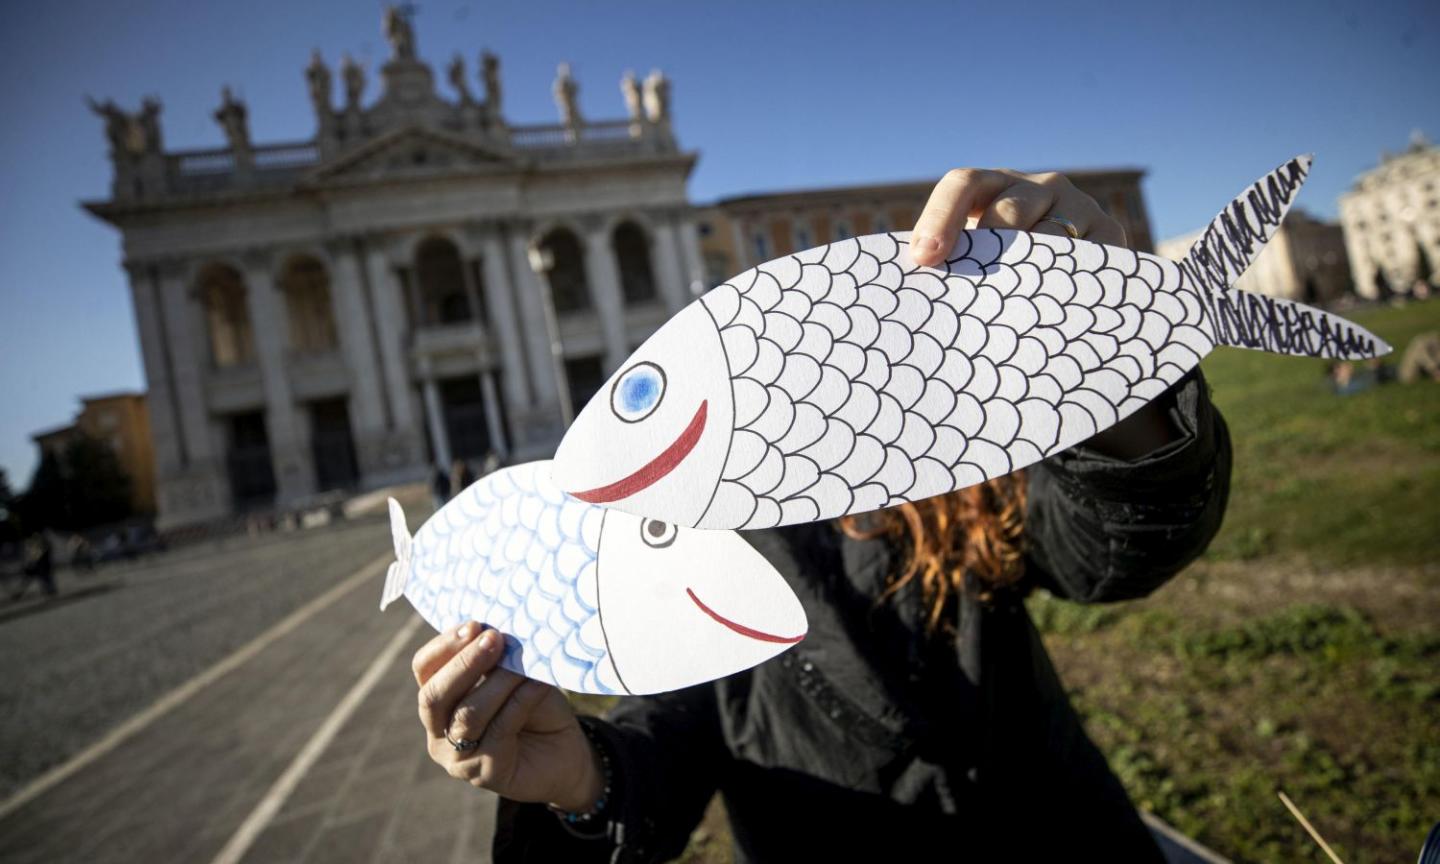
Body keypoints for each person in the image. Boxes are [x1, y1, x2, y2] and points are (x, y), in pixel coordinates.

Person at [410, 168, 1233, 861]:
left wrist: (1107, 367)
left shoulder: (936, 462)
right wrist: (577, 783)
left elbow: (1116, 547)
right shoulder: (658, 555)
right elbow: (661, 743)